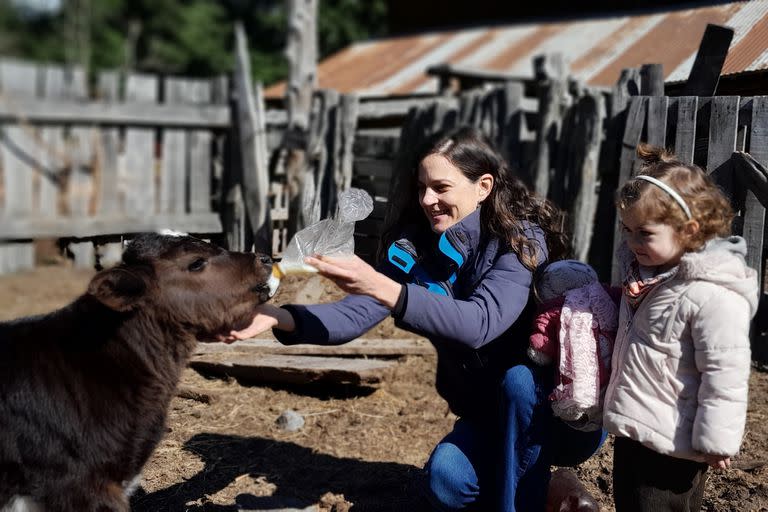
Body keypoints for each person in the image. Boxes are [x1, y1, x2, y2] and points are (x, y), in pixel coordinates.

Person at [228, 126, 605, 511]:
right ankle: (547, 484)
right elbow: (357, 312)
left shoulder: (519, 242)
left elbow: (481, 323)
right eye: (422, 186)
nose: (427, 199)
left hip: (555, 418)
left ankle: (530, 488)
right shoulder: (415, 249)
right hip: (488, 417)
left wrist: (384, 286)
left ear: (483, 186)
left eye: (441, 187)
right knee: (446, 483)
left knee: (519, 380)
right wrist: (278, 317)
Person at [604, 144, 759, 512]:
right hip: (638, 428)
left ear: (688, 230)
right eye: (627, 231)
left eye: (644, 233)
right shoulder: (650, 276)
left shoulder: (712, 295)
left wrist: (717, 440)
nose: (631, 243)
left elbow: (725, 371)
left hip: (676, 442)